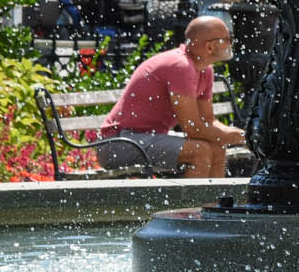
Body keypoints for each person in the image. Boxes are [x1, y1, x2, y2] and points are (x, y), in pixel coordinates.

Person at [95, 16, 244, 177]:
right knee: (200, 151)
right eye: (227, 39)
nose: (231, 43)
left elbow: (208, 122)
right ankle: (192, 203)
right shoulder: (181, 66)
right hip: (118, 143)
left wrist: (242, 136)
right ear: (209, 47)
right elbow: (193, 129)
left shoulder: (205, 69)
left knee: (217, 146)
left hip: (145, 138)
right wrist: (244, 138)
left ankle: (215, 202)